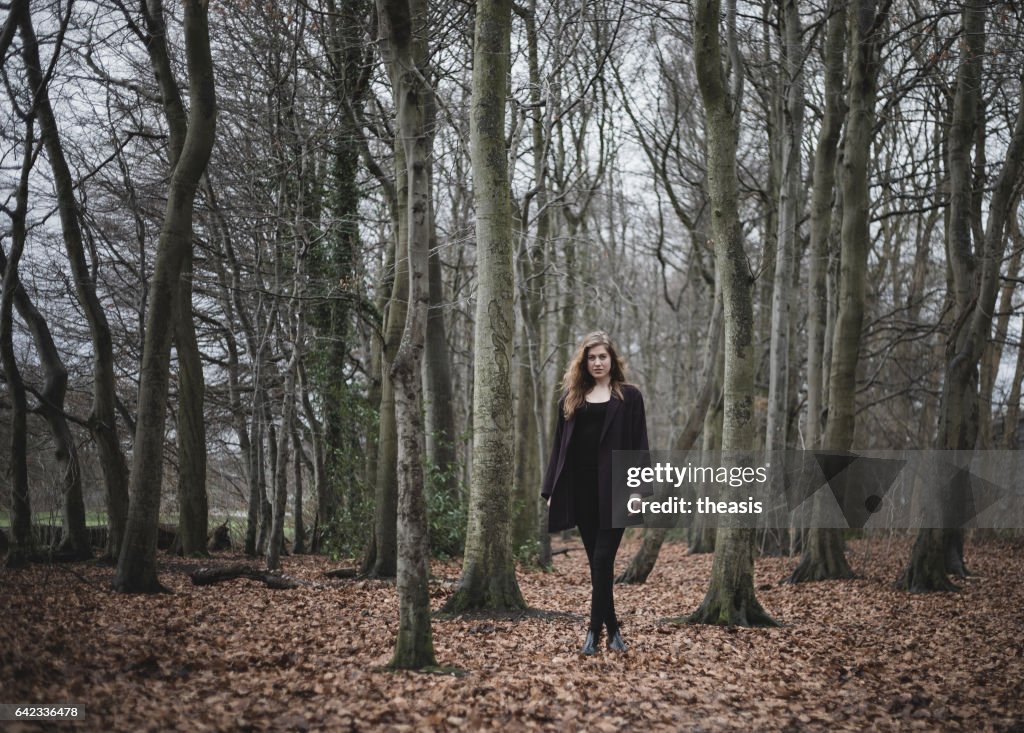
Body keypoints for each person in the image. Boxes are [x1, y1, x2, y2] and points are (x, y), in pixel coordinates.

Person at [541, 331, 650, 655]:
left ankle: (593, 631)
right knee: (597, 565)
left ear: (612, 360)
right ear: (583, 362)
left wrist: (640, 490)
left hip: (616, 491)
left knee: (603, 559)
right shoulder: (570, 400)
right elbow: (559, 448)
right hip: (581, 491)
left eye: (603, 356)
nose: (598, 362)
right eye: (592, 357)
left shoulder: (629, 397)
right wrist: (550, 489)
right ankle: (614, 629)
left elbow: (639, 445)